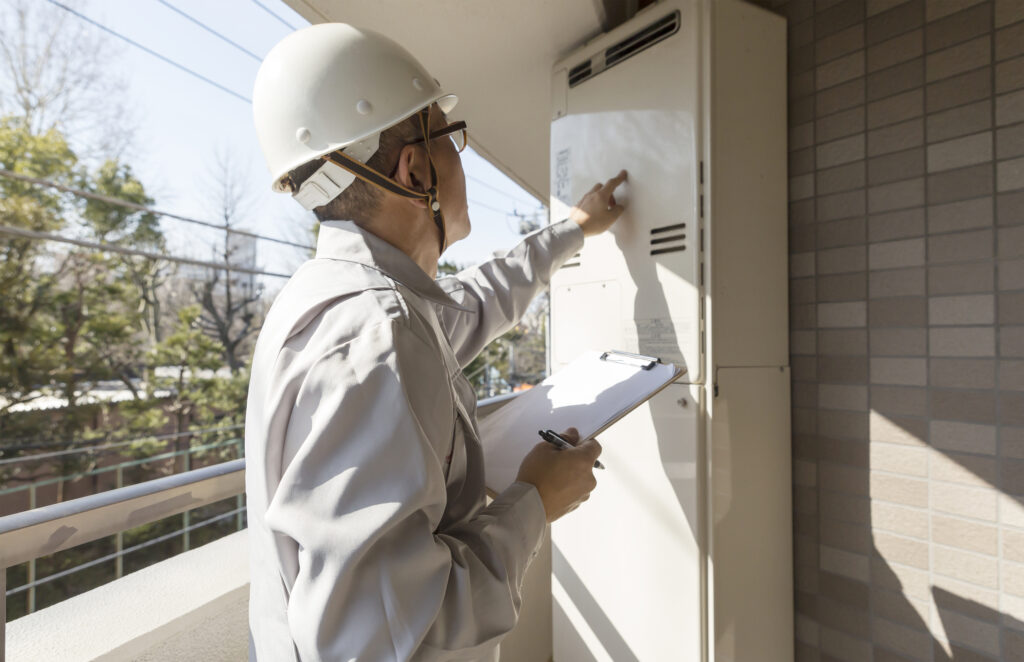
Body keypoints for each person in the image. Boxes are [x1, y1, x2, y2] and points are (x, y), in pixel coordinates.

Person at [246, 23, 627, 661]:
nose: (461, 156)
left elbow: (471, 303)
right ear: (415, 165)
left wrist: (572, 230)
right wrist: (535, 501)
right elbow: (370, 640)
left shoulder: (341, 300)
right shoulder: (379, 337)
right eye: (450, 138)